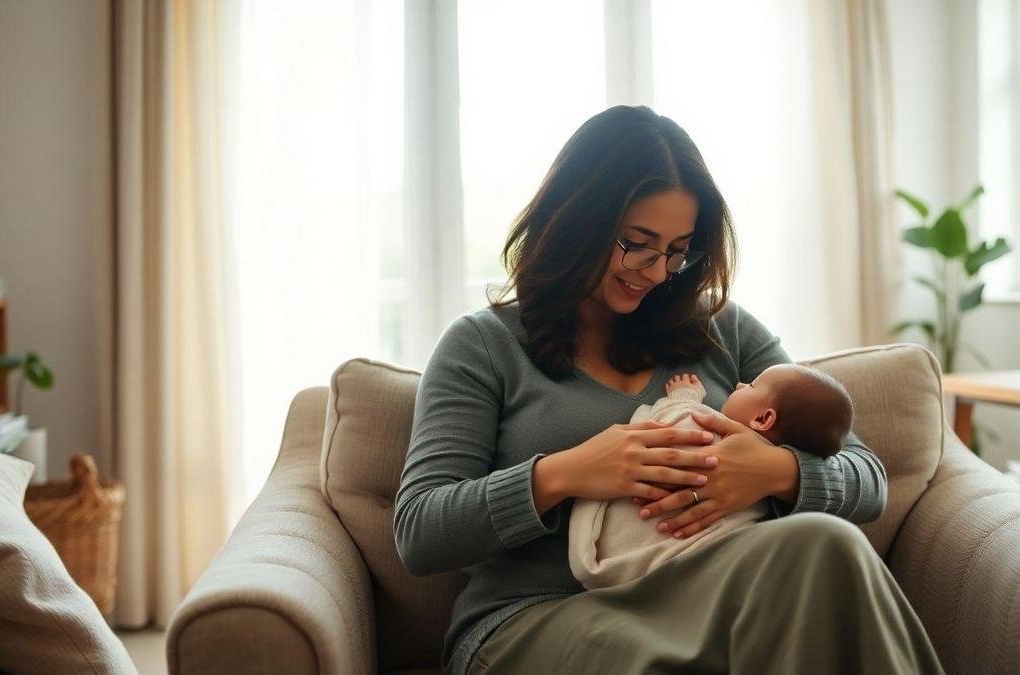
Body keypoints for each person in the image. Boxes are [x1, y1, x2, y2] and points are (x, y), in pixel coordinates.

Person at [394, 105, 942, 674]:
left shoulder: (722, 330)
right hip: (534, 619)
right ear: (578, 221)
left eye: (678, 250)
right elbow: (420, 531)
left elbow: (867, 478)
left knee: (830, 546)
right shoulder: (482, 345)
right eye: (637, 243)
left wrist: (775, 473)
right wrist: (564, 473)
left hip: (709, 595)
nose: (657, 272)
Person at [568, 366, 854, 589]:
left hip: (647, 571)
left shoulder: (705, 425)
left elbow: (662, 423)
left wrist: (684, 399)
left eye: (751, 385)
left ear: (764, 419)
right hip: (696, 579)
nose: (740, 384)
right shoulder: (764, 501)